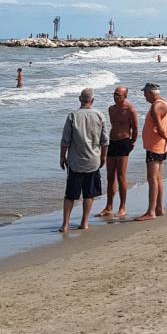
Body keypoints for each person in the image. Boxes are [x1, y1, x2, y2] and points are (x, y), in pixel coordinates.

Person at [59, 88, 108, 233]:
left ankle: (65, 224)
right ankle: (84, 222)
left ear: (80, 100)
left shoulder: (73, 115)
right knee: (89, 193)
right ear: (92, 100)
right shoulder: (99, 115)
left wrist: (62, 157)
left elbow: (65, 140)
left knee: (70, 195)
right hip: (93, 160)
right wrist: (103, 157)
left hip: (75, 161)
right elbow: (105, 141)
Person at [135, 82, 167, 222]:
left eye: (145, 93)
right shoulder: (164, 103)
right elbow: (166, 122)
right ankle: (159, 208)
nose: (144, 96)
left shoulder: (156, 106)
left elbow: (160, 127)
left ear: (151, 93)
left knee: (152, 179)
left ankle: (151, 211)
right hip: (159, 145)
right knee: (158, 178)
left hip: (155, 146)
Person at [99, 86, 138, 219]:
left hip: (124, 142)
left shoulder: (130, 109)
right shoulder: (111, 109)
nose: (116, 97)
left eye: (119, 95)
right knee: (110, 176)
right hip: (112, 142)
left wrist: (132, 143)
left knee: (121, 175)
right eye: (114, 94)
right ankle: (109, 207)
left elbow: (135, 128)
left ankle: (122, 207)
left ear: (125, 96)